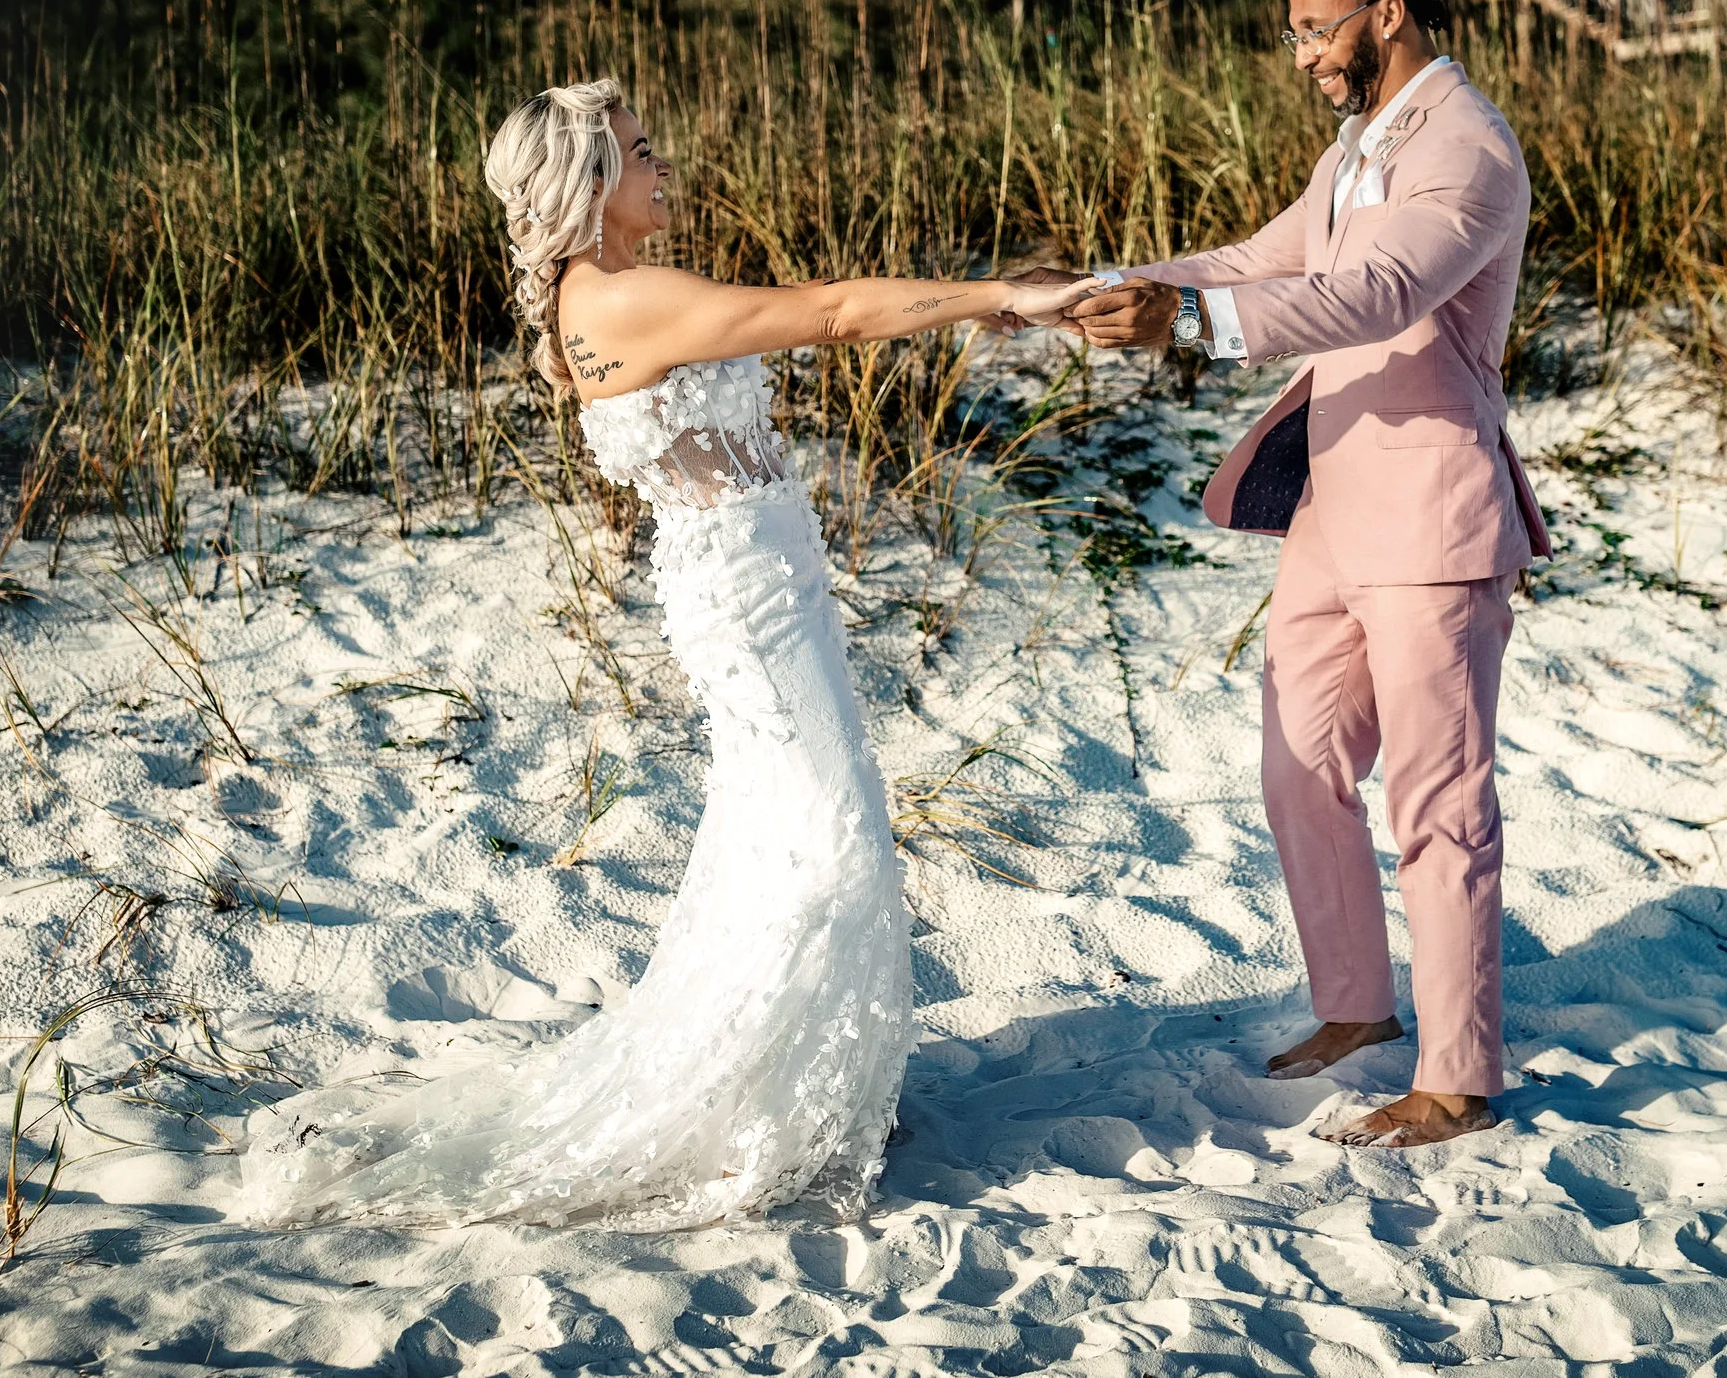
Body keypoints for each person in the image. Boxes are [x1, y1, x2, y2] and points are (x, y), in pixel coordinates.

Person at [235, 79, 1091, 1230]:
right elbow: (833, 310)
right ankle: (764, 1106)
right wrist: (1000, 294)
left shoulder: (603, 293)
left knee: (783, 828)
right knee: (829, 834)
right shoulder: (626, 298)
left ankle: (792, 1086)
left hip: (757, 581)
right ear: (589, 182)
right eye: (640, 152)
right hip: (748, 597)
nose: (663, 164)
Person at [1036, 0, 1551, 1148]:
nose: (1305, 54)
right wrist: (1108, 287)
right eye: (1293, 36)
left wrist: (1187, 326)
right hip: (1330, 505)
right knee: (1297, 762)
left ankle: (1458, 1077)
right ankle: (1356, 1004)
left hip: (1430, 518)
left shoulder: (1467, 147)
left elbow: (1373, 294)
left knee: (1438, 799)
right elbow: (1257, 260)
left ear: (1388, 12)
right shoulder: (1350, 151)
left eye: (1317, 29)